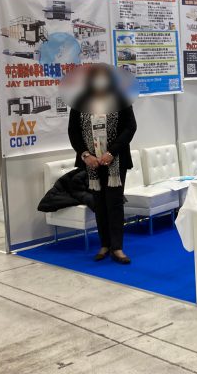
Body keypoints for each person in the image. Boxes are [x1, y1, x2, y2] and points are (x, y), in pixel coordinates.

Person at [68, 64, 137, 264]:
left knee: (114, 203)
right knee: (99, 204)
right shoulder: (80, 101)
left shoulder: (120, 98)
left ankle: (117, 247)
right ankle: (104, 244)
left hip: (115, 161)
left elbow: (130, 127)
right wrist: (85, 155)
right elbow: (73, 131)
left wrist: (111, 152)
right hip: (92, 163)